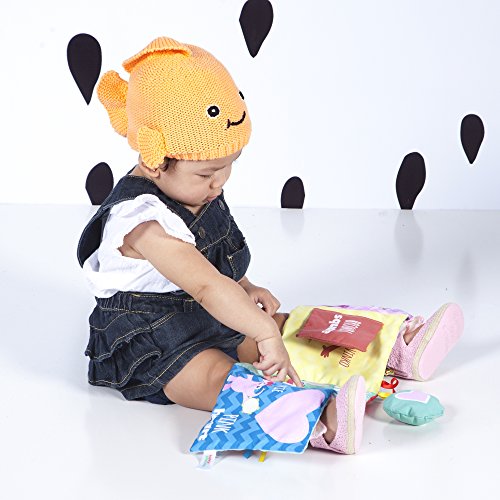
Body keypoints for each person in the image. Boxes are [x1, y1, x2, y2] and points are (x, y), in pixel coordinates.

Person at [77, 36, 463, 456]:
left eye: (228, 167)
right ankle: (318, 420)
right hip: (154, 339)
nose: (219, 183)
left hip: (209, 308)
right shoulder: (141, 224)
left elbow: (214, 267)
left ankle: (390, 347)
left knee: (282, 328)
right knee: (215, 374)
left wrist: (245, 286)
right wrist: (260, 331)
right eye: (208, 174)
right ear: (155, 161)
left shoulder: (191, 186)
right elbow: (204, 284)